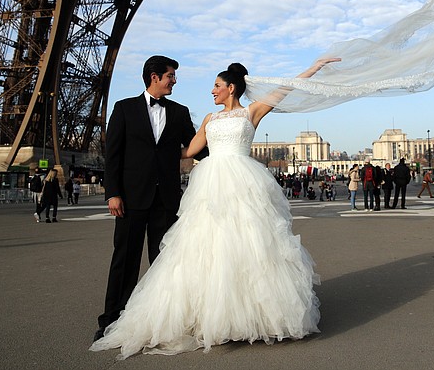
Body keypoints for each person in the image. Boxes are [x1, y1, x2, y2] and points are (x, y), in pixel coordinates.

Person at [90, 59, 336, 358]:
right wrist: (126, 178)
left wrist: (315, 67)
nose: (212, 91)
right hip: (200, 185)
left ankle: (243, 316)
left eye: (217, 86)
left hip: (241, 183)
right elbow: (186, 150)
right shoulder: (206, 118)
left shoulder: (251, 111)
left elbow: (286, 89)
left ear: (231, 87)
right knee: (205, 251)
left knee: (245, 249)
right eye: (171, 76)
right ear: (156, 77)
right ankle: (127, 316)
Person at [93, 55, 206, 344]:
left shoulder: (180, 112)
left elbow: (196, 148)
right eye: (170, 76)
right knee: (124, 260)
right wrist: (113, 193)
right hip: (130, 198)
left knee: (165, 263)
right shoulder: (124, 108)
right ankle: (112, 319)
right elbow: (113, 156)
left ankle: (163, 322)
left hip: (166, 199)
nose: (174, 81)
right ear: (154, 76)